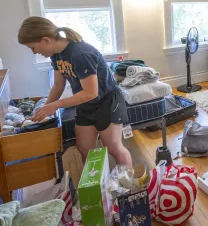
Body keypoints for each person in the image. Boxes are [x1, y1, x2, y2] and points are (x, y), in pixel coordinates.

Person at [17, 16, 132, 166]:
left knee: (114, 148)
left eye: (33, 47)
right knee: (85, 150)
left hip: (107, 103)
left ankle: (128, 184)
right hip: (86, 104)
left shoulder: (80, 54)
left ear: (45, 40)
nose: (34, 52)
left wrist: (56, 105)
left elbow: (91, 92)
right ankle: (95, 186)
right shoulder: (56, 55)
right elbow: (58, 86)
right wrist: (43, 110)